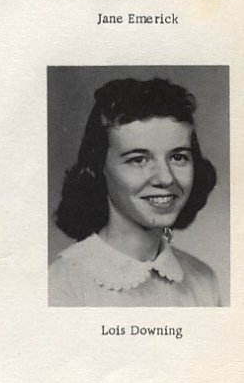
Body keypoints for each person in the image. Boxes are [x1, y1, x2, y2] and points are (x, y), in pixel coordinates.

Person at [49, 77, 220, 307]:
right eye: (139, 159)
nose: (166, 178)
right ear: (97, 169)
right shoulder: (61, 285)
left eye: (178, 157)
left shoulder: (204, 281)